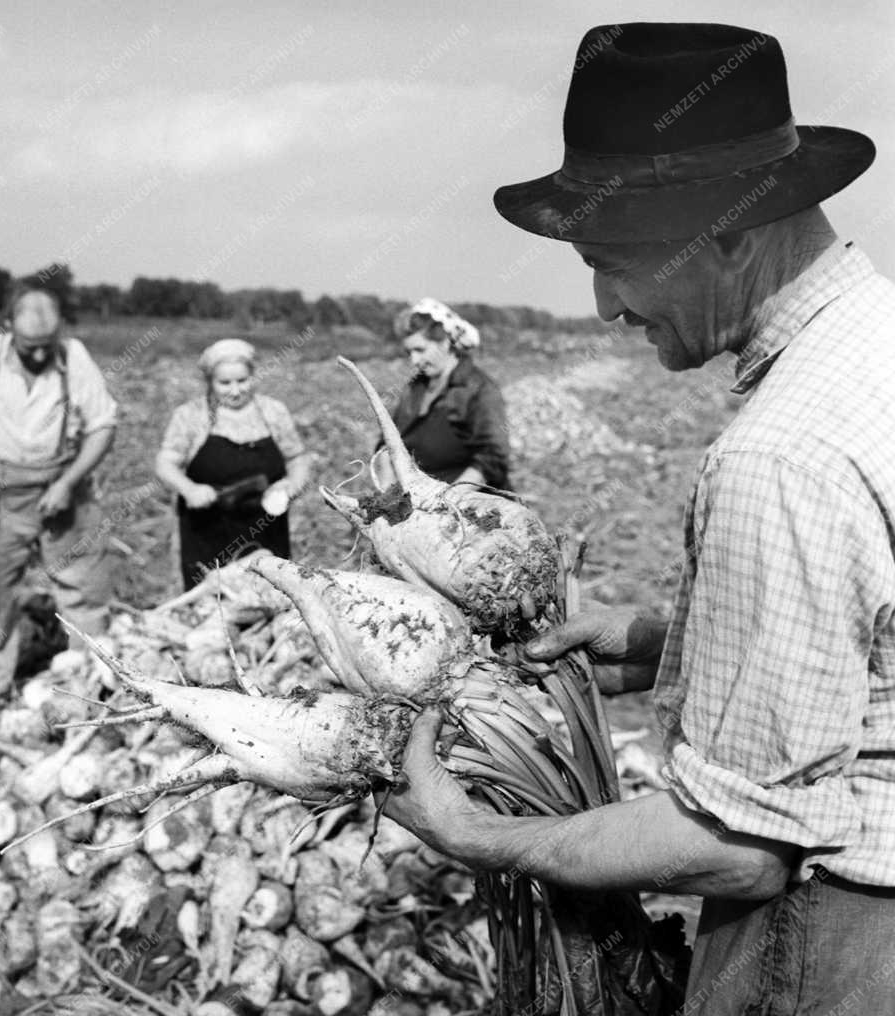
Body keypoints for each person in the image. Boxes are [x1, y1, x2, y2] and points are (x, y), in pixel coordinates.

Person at [383, 23, 895, 1013]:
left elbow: (737, 847)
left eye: (611, 258)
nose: (605, 303)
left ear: (732, 231)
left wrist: (473, 832)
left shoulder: (777, 454)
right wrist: (673, 642)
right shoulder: (876, 346)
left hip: (834, 942)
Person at [0, 283, 118, 703]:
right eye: (29, 345)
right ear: (8, 327)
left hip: (65, 492)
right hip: (2, 496)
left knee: (83, 588)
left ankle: (88, 688)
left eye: (45, 346)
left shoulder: (74, 356)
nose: (38, 355)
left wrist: (68, 482)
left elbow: (102, 425)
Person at [155, 338, 311, 589]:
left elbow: (297, 458)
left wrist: (291, 487)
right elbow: (165, 463)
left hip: (266, 530)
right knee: (212, 606)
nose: (235, 390)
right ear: (209, 382)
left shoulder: (273, 412)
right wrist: (189, 489)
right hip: (207, 531)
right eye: (225, 383)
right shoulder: (191, 415)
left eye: (243, 380)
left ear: (253, 376)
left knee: (270, 598)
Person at [379, 297, 510, 489]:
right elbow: (388, 442)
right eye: (409, 353)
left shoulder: (478, 390)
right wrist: (387, 488)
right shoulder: (416, 387)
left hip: (471, 502)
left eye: (420, 350)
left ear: (447, 342)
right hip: (419, 499)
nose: (414, 360)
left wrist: (449, 500)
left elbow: (492, 457)